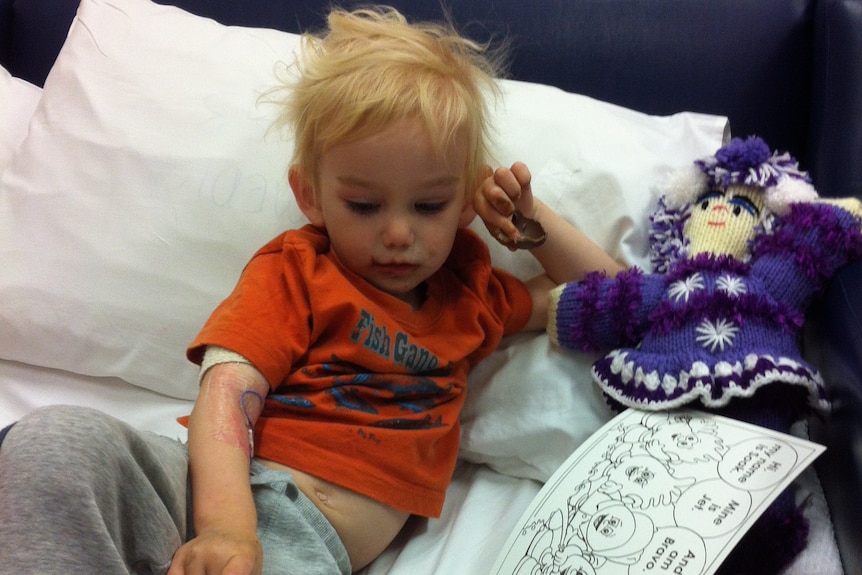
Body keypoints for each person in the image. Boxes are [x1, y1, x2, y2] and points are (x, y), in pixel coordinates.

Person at [0, 6, 621, 575]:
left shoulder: (473, 295)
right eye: (364, 204)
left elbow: (612, 292)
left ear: (464, 202)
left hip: (300, 540)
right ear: (311, 196)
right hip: (215, 492)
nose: (399, 233)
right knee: (56, 444)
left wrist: (532, 224)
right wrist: (227, 530)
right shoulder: (298, 270)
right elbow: (229, 386)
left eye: (429, 204)